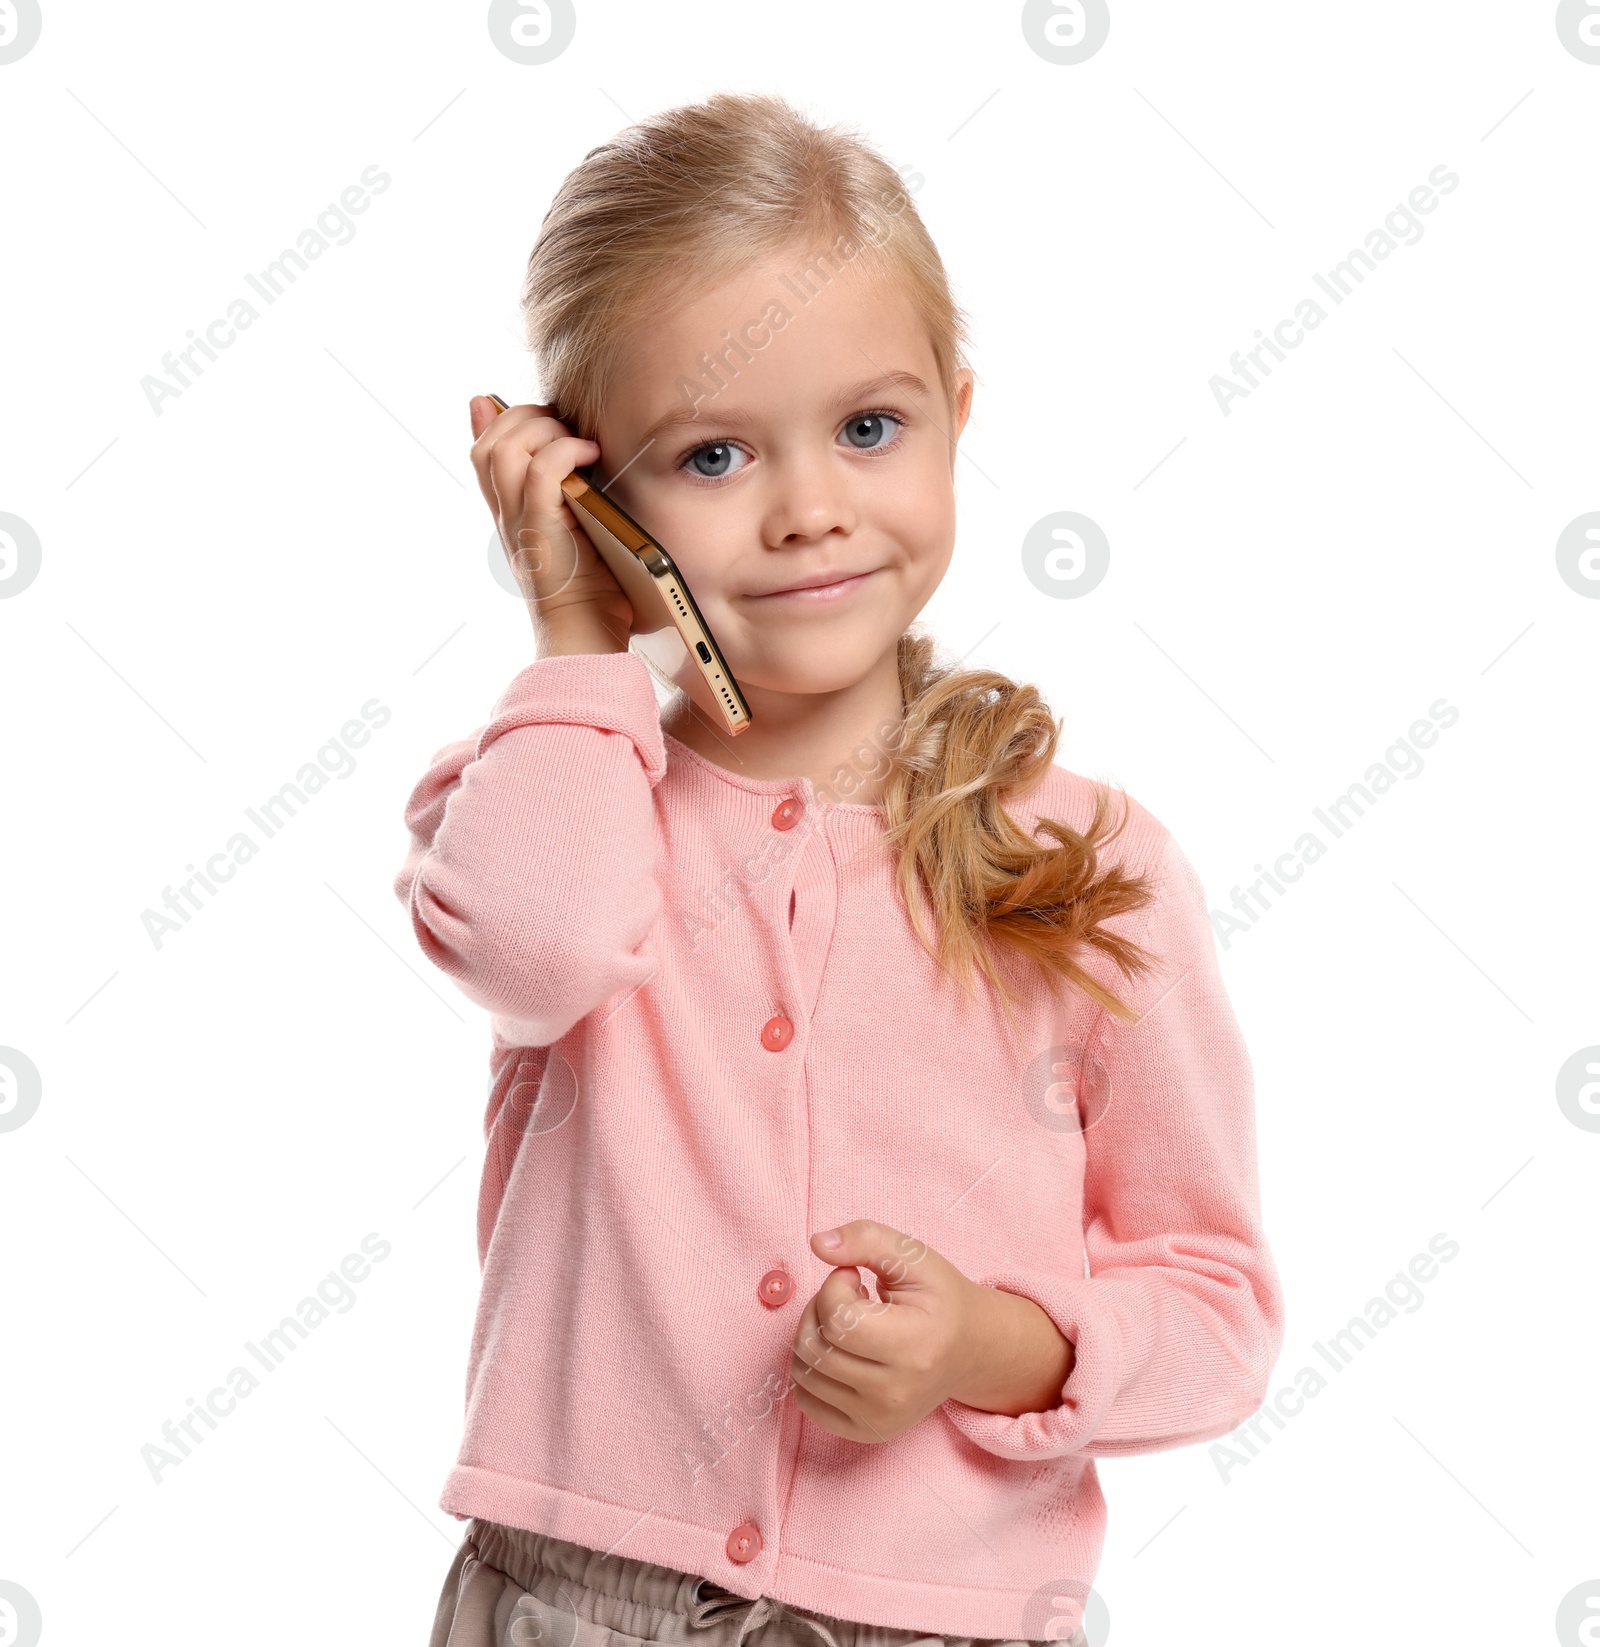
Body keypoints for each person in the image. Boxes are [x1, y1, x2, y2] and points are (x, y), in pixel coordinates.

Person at [396, 90, 1284, 1647]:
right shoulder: (555, 778)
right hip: (567, 1594)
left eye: (870, 429)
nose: (810, 511)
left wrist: (989, 1347)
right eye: (715, 453)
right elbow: (534, 952)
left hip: (938, 1616)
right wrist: (572, 634)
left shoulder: (1090, 865)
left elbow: (1215, 1306)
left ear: (955, 409)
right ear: (598, 498)